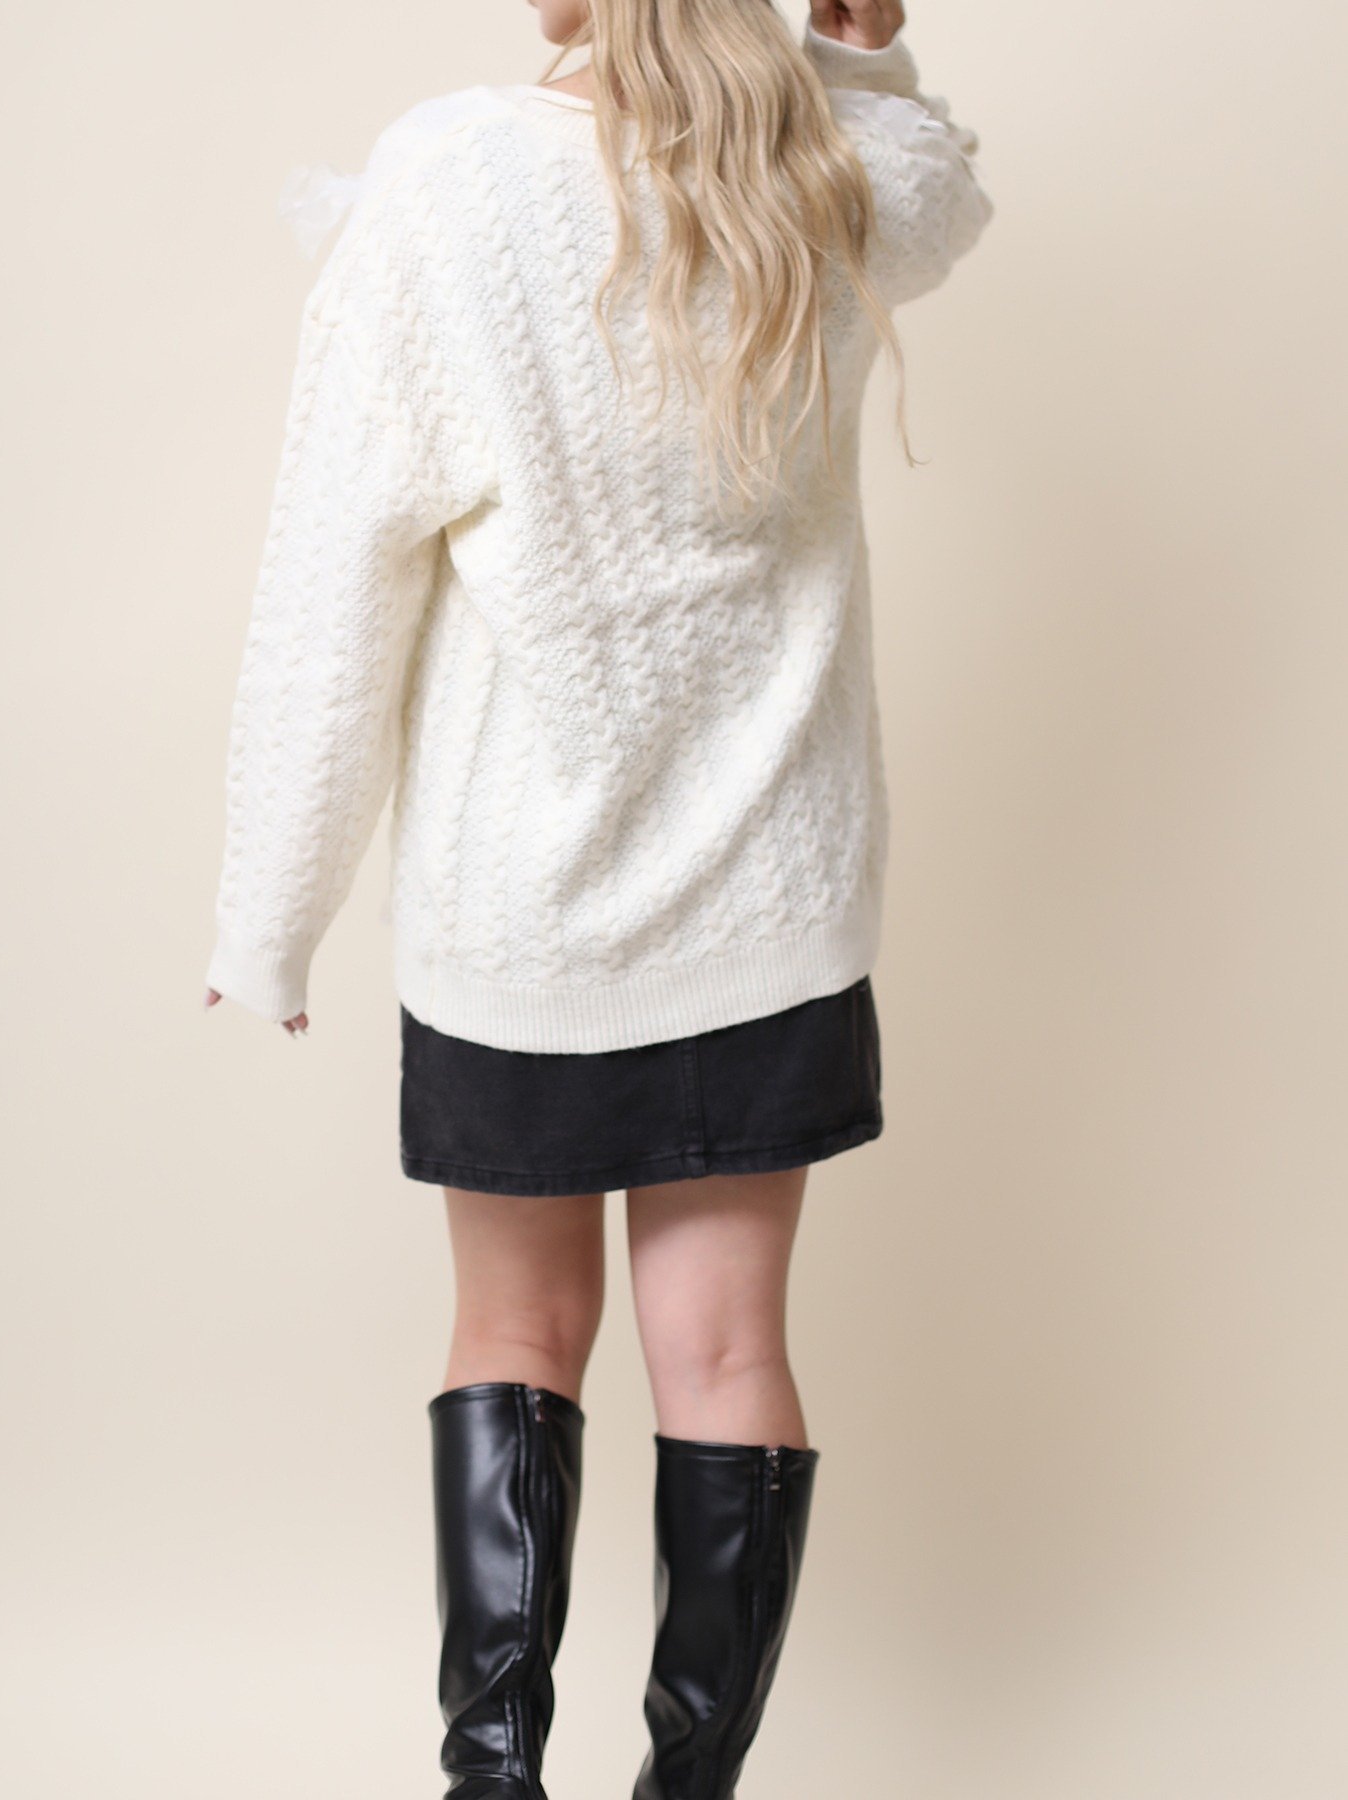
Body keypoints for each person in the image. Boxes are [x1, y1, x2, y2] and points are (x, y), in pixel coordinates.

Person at [202, 0, 993, 1790]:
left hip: (524, 910)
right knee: (724, 1347)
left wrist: (269, 909)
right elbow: (937, 191)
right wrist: (862, 51)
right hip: (769, 900)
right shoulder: (813, 168)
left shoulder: (451, 182)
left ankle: (493, 1783)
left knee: (514, 1333)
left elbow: (336, 572)